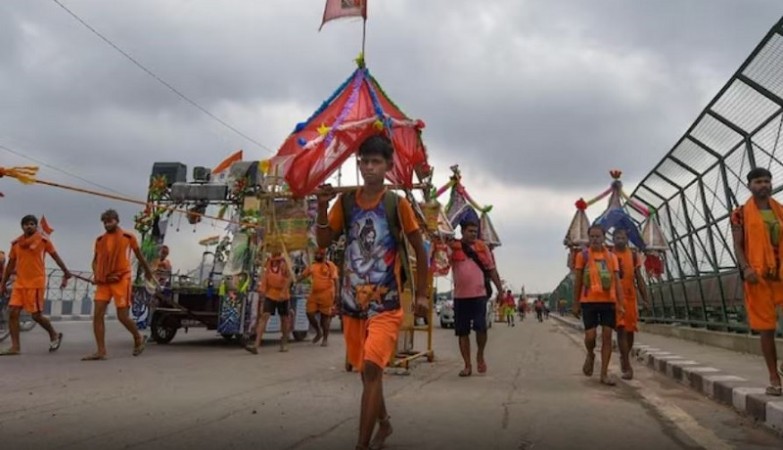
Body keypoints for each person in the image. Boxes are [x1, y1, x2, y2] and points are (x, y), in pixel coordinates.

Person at [315, 134, 429, 450]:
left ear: (388, 166)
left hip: (386, 303)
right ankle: (385, 423)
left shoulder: (397, 204)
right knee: (367, 373)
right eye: (364, 161)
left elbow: (421, 251)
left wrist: (421, 295)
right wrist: (323, 207)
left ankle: (361, 445)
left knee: (371, 368)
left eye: (375, 162)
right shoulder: (347, 203)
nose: (369, 168)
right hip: (352, 305)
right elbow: (324, 242)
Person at [731, 167, 783, 396]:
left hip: (781, 275)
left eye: (767, 181)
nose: (764, 185)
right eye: (759, 181)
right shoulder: (740, 214)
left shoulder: (780, 211)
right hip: (757, 278)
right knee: (766, 329)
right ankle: (774, 377)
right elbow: (738, 244)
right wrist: (746, 268)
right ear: (750, 185)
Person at [82, 209, 154, 361]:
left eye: (110, 221)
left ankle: (138, 337)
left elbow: (139, 256)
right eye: (105, 222)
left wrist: (148, 272)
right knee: (97, 315)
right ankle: (101, 351)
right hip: (103, 281)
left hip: (121, 279)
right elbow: (95, 261)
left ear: (117, 220)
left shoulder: (128, 237)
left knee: (122, 316)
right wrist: (96, 274)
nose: (108, 224)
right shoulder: (100, 240)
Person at [0, 215, 71, 355]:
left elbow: (56, 257)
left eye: (32, 224)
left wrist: (66, 272)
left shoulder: (43, 241)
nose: (29, 226)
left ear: (35, 226)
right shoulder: (16, 244)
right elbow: (10, 266)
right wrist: (3, 283)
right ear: (22, 227)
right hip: (20, 283)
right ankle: (15, 347)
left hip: (36, 283)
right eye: (26, 224)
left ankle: (54, 334)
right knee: (13, 313)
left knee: (36, 316)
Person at [572, 224, 625, 386]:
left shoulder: (611, 257)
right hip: (588, 301)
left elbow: (617, 281)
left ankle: (604, 373)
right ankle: (590, 353)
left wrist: (620, 303)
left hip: (608, 302)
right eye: (592, 237)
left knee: (608, 336)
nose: (595, 239)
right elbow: (579, 280)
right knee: (590, 336)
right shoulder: (583, 256)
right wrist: (576, 303)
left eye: (598, 236)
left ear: (603, 238)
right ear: (589, 238)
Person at [449, 220, 503, 377]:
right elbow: (442, 261)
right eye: (470, 231)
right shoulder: (454, 247)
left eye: (475, 231)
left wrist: (500, 290)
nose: (473, 234)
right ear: (462, 232)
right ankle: (467, 365)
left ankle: (480, 354)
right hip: (460, 297)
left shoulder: (482, 248)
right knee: (462, 332)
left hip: (479, 295)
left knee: (481, 328)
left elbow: (492, 270)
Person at [612, 228, 650, 380]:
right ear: (613, 239)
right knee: (621, 329)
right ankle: (627, 365)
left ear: (627, 239)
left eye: (623, 238)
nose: (620, 240)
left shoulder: (633, 256)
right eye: (617, 238)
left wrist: (645, 298)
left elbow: (639, 278)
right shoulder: (609, 255)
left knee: (630, 331)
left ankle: (625, 355)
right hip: (614, 299)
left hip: (629, 298)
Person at [246, 252, 292, 354]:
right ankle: (256, 345)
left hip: (283, 296)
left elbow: (290, 278)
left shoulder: (284, 263)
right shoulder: (268, 263)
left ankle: (284, 342)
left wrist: (283, 291)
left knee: (284, 318)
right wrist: (262, 291)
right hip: (270, 294)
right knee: (264, 317)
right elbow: (264, 277)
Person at [298, 248, 339, 346]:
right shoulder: (312, 266)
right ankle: (318, 331)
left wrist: (337, 293)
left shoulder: (330, 265)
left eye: (320, 253)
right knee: (309, 313)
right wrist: (294, 279)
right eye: (317, 253)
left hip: (327, 294)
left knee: (325, 318)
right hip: (314, 295)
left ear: (324, 255)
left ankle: (325, 339)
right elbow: (303, 276)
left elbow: (336, 280)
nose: (318, 255)